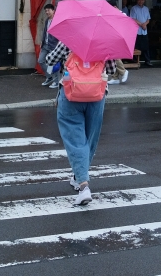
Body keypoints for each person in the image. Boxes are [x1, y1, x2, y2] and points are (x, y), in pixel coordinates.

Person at [44, 40, 115, 205]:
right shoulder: (104, 42)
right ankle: (78, 176)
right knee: (90, 138)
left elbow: (49, 60)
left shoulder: (69, 39)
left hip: (71, 94)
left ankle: (83, 186)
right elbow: (111, 69)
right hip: (96, 95)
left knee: (75, 139)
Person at [38, 4, 60, 88]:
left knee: (54, 63)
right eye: (46, 11)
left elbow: (60, 33)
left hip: (53, 45)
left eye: (48, 10)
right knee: (41, 60)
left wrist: (58, 43)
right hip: (45, 44)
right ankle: (49, 77)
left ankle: (57, 81)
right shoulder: (47, 20)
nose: (47, 12)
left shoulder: (57, 20)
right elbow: (45, 32)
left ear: (53, 10)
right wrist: (42, 41)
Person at [129, 0, 152, 66]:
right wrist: (142, 24)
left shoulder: (146, 8)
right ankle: (135, 61)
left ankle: (147, 61)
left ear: (144, 0)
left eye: (142, 0)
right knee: (136, 47)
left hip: (144, 31)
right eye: (139, 0)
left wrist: (145, 24)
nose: (140, 1)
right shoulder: (134, 8)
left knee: (146, 46)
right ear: (137, 0)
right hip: (137, 31)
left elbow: (148, 19)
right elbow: (133, 19)